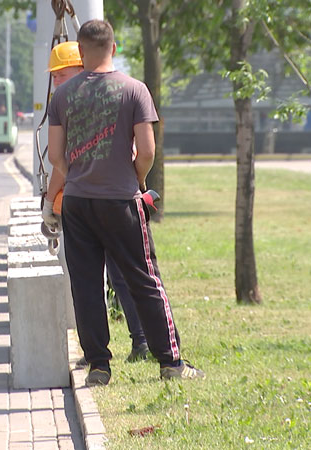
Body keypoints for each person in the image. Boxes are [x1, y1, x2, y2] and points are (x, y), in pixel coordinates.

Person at [43, 19, 204, 386]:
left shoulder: (63, 97)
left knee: (85, 285)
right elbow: (147, 150)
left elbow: (55, 156)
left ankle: (99, 365)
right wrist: (137, 178)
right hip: (120, 201)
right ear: (113, 49)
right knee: (143, 279)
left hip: (79, 203)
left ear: (81, 51)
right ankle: (170, 363)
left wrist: (79, 174)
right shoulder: (134, 90)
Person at [47, 41, 149, 364]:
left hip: (107, 201)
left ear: (81, 67)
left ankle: (140, 342)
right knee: (105, 278)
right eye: (54, 77)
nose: (56, 82)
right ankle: (118, 349)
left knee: (122, 275)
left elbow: (60, 161)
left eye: (61, 74)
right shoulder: (90, 99)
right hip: (107, 200)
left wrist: (52, 202)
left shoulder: (89, 101)